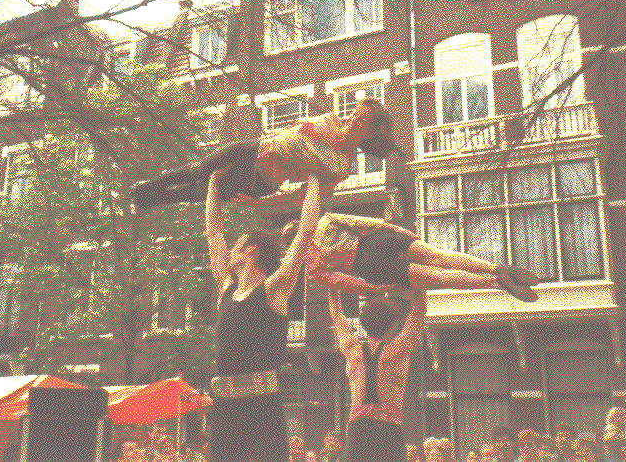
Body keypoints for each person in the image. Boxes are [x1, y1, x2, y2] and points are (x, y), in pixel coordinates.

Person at [205, 169, 321, 462]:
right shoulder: (226, 290)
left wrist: (313, 178)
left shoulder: (273, 290)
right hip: (224, 411)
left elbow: (306, 233)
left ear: (251, 250)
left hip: (261, 410)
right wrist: (213, 185)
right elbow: (214, 233)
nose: (229, 251)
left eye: (236, 246)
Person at [131, 98, 394, 210]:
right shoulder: (329, 119)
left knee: (197, 192)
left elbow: (300, 196)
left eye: (360, 119)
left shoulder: (340, 167)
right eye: (354, 112)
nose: (352, 118)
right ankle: (146, 186)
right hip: (255, 148)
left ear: (370, 134)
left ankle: (147, 201)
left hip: (260, 180)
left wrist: (258, 204)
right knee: (200, 169)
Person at [281, 212, 540, 303]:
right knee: (439, 256)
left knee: (437, 277)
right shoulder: (326, 221)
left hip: (368, 265)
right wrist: (397, 231)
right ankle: (496, 268)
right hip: (375, 240)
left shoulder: (311, 268)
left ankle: (497, 283)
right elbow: (367, 223)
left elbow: (348, 283)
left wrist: (379, 288)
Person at [327, 261, 426, 462]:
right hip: (389, 429)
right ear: (392, 327)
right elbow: (418, 312)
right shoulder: (397, 350)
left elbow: (336, 315)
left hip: (358, 430)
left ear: (364, 324)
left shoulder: (353, 351)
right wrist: (416, 280)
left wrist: (333, 282)